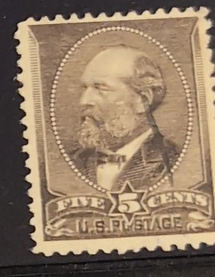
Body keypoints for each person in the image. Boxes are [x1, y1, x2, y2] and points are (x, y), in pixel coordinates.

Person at [71, 43, 178, 195]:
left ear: (142, 99)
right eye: (85, 88)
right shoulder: (74, 162)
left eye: (101, 88)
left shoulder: (172, 163)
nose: (84, 101)